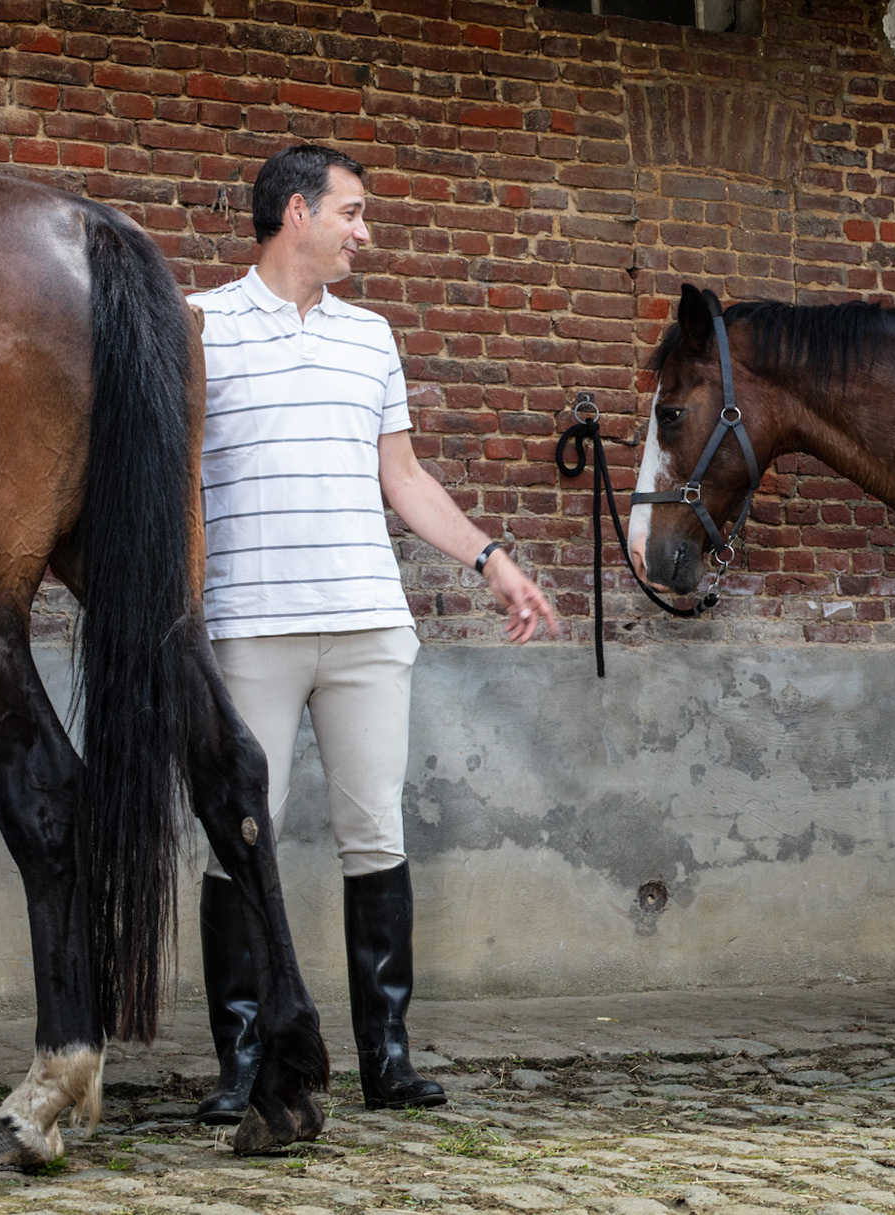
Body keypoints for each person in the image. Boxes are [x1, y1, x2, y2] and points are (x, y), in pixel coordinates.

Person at [187, 144, 558, 1119]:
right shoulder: (199, 326)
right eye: (352, 213)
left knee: (375, 837)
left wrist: (493, 561)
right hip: (247, 629)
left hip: (365, 628)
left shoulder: (371, 335)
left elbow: (403, 479)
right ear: (298, 212)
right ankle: (241, 1066)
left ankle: (385, 1061)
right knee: (238, 844)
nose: (365, 232)